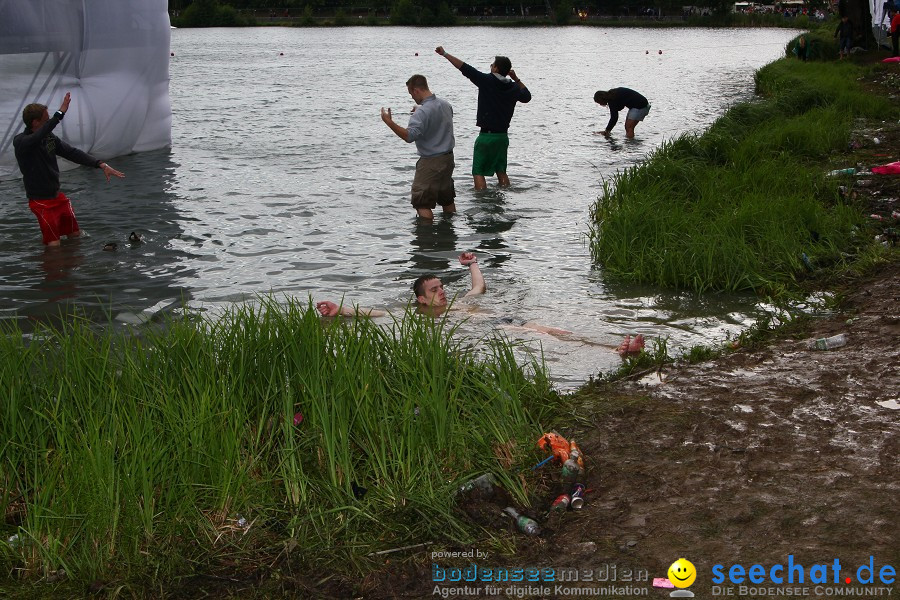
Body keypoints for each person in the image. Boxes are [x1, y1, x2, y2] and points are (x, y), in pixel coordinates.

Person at [316, 252, 572, 336]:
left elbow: (478, 288)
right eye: (434, 290)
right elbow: (376, 313)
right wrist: (342, 309)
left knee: (558, 334)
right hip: (499, 327)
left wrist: (473, 263)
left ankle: (604, 346)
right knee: (552, 336)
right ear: (421, 299)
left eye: (442, 287)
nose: (442, 292)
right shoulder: (416, 314)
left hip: (504, 321)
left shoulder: (458, 304)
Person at [13, 92, 125, 246]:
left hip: (57, 196)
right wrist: (59, 114)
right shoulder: (22, 142)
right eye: (45, 121)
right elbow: (36, 138)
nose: (48, 124)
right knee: (54, 245)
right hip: (40, 201)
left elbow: (71, 153)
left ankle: (75, 266)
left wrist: (100, 164)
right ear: (35, 122)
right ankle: (51, 267)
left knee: (75, 235)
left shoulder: (49, 139)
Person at [434, 46, 532, 189]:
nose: (490, 67)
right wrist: (516, 79)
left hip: (486, 137)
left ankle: (482, 200)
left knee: (478, 171)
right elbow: (527, 96)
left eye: (492, 65)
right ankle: (504, 193)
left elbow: (464, 68)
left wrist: (445, 54)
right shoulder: (513, 88)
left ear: (496, 69)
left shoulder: (486, 81)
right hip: (502, 137)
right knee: (501, 170)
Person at [381, 75, 456, 221]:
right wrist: (420, 112)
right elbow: (437, 120)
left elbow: (409, 136)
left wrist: (389, 122)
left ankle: (426, 239)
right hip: (448, 159)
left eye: (411, 94)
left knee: (421, 202)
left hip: (431, 162)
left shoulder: (422, 112)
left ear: (416, 90)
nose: (412, 98)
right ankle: (449, 234)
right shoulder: (445, 104)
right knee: (446, 198)